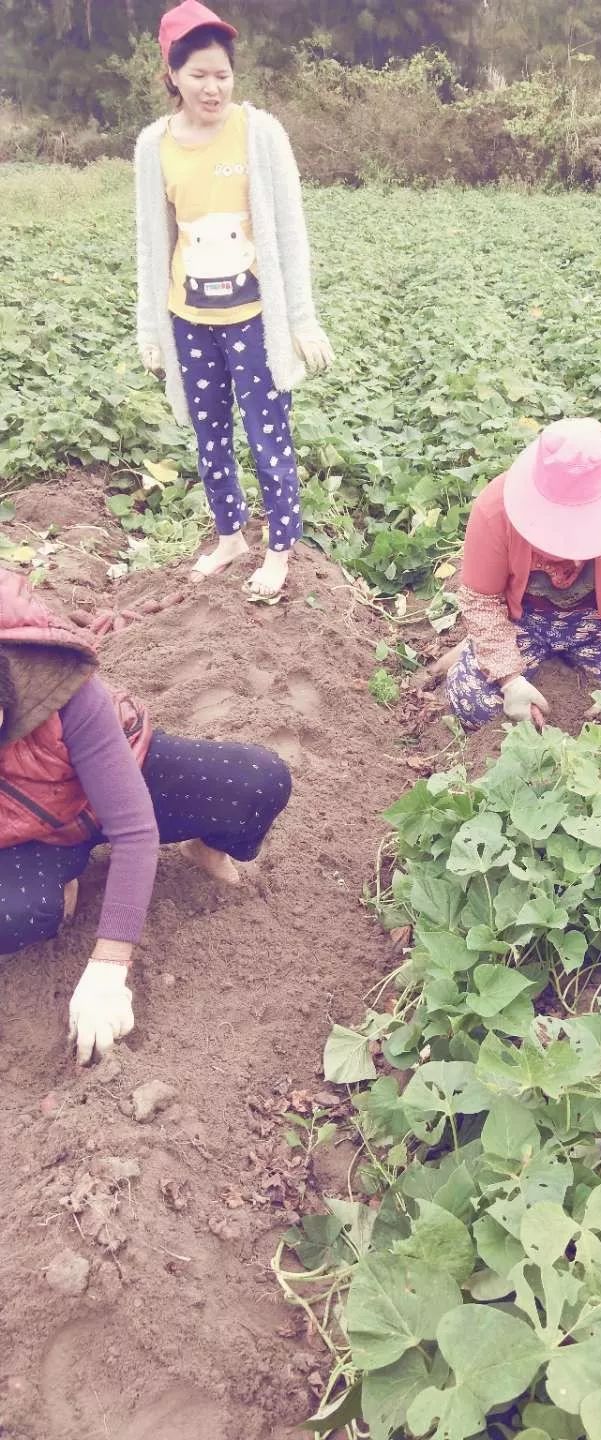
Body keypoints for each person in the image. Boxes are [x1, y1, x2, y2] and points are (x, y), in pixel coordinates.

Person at [0, 571, 291, 1064]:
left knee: (257, 781)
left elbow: (134, 829)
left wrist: (109, 966)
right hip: (34, 833)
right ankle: (62, 888)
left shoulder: (57, 683)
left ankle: (204, 845)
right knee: (14, 913)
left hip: (116, 779)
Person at [134, 0, 333, 598]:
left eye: (222, 74)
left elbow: (290, 229)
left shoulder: (260, 133)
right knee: (208, 432)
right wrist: (151, 329)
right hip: (189, 317)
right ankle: (229, 537)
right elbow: (151, 242)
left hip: (254, 319)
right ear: (172, 75)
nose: (213, 87)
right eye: (198, 75)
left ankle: (279, 547)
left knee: (268, 431)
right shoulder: (154, 147)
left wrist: (301, 318)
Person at [448, 418, 601, 730]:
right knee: (474, 702)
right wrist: (509, 679)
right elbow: (481, 601)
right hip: (522, 623)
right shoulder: (495, 510)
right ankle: (479, 651)